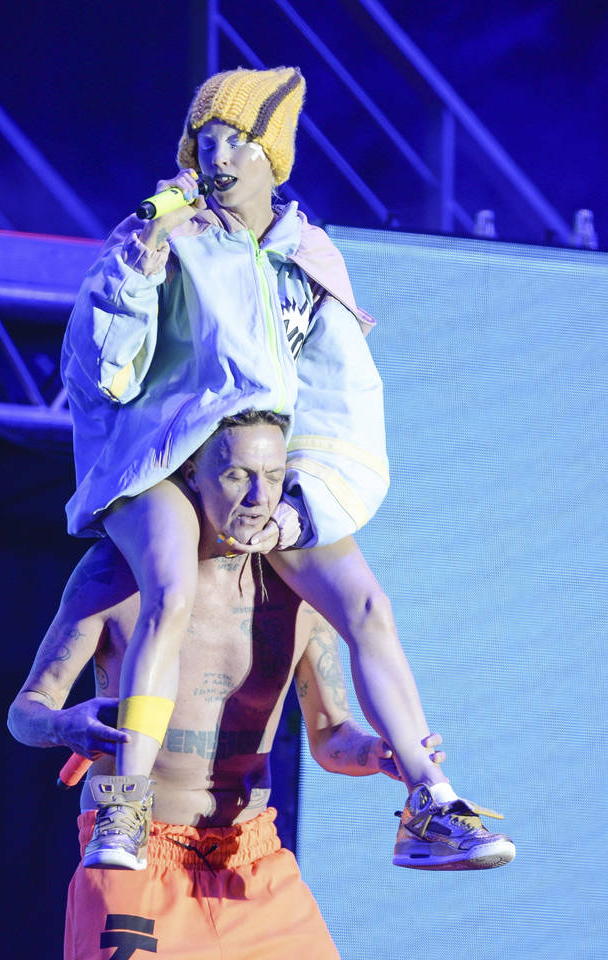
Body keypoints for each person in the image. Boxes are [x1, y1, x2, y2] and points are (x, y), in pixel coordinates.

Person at [61, 67, 514, 871]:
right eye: (204, 140)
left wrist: (302, 508)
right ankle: (124, 809)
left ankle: (430, 803)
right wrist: (136, 264)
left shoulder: (308, 255)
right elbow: (106, 375)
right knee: (170, 586)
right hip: (170, 462)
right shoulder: (171, 238)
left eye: (235, 139)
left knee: (367, 604)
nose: (216, 156)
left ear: (272, 154)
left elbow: (341, 397)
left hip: (264, 470)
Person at [9, 412, 482, 960]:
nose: (259, 498)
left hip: (252, 867)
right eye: (237, 476)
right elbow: (26, 711)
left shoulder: (297, 588)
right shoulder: (117, 575)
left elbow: (330, 734)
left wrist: (375, 753)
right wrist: (63, 724)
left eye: (273, 476)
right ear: (192, 474)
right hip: (140, 863)